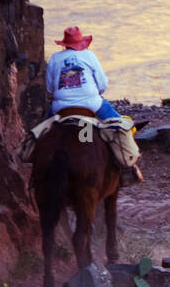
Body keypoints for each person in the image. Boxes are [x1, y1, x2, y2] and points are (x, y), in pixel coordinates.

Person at [27, 26, 142, 182]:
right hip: (91, 105)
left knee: (43, 133)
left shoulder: (55, 58)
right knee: (121, 126)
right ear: (81, 43)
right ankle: (129, 167)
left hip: (61, 108)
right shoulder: (88, 55)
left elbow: (50, 88)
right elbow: (102, 85)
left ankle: (35, 168)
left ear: (64, 44)